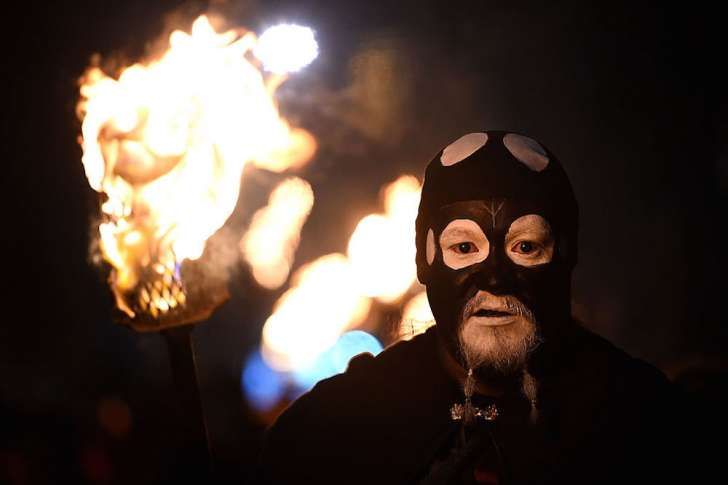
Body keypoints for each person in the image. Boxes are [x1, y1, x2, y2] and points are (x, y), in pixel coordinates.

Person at [258, 131, 687, 485]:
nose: (495, 277)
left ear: (566, 255)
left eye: (525, 246)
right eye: (464, 247)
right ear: (425, 259)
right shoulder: (340, 425)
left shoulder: (644, 420)